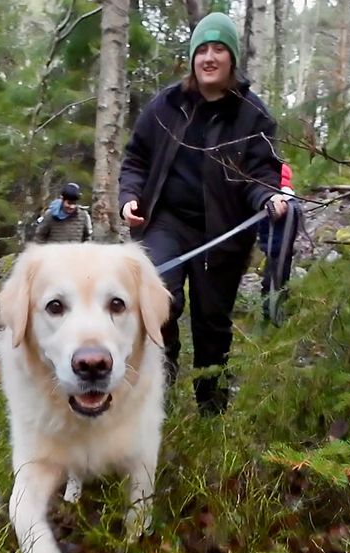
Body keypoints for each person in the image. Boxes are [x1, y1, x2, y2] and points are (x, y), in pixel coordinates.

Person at [117, 11, 289, 415]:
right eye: (202, 50)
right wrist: (129, 197)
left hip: (222, 235)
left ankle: (211, 411)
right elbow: (136, 158)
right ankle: (158, 390)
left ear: (231, 58)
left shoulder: (253, 115)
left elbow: (261, 173)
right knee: (158, 302)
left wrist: (268, 198)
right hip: (165, 223)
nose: (209, 57)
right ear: (193, 57)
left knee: (213, 327)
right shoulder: (166, 105)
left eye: (219, 49)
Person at [258, 162, 304, 325]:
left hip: (275, 205)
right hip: (285, 204)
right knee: (280, 262)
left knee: (275, 264)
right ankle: (276, 310)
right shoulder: (275, 162)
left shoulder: (264, 164)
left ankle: (272, 314)